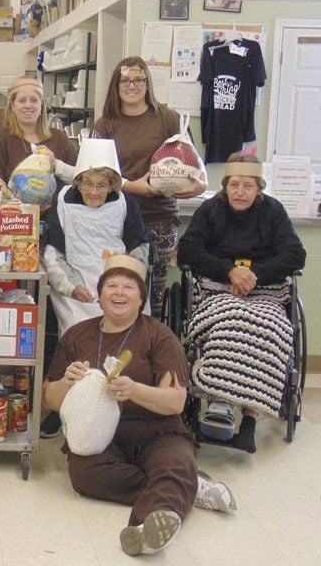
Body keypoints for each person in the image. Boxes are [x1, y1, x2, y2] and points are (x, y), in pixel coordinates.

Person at [42, 255, 236, 557]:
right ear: (100, 294)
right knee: (84, 476)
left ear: (141, 297)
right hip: (101, 437)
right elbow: (49, 400)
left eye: (128, 287)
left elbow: (175, 402)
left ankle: (148, 530)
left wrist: (134, 390)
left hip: (159, 433)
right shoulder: (77, 335)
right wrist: (66, 382)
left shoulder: (159, 336)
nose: (119, 293)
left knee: (173, 459)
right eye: (112, 286)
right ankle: (186, 487)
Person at [177, 152, 306, 453]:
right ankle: (217, 399)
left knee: (271, 328)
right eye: (234, 185)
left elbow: (294, 255)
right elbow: (188, 250)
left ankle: (250, 415)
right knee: (228, 323)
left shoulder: (273, 211)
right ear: (225, 186)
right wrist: (229, 271)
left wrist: (254, 276)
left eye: (248, 186)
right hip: (218, 289)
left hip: (265, 291)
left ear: (259, 188)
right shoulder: (210, 210)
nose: (240, 192)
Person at [39, 138, 148, 439]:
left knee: (127, 340)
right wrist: (72, 288)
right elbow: (52, 255)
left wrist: (124, 285)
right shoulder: (62, 202)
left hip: (117, 282)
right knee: (76, 336)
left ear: (113, 184)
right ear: (78, 182)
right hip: (76, 286)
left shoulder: (127, 204)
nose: (95, 191)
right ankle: (64, 408)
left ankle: (120, 411)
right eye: (88, 183)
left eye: (102, 185)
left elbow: (139, 251)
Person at [93, 56, 207, 318]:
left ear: (147, 84)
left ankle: (148, 350)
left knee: (151, 290)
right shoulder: (105, 124)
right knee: (114, 284)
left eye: (138, 80)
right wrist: (131, 186)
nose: (132, 85)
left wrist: (200, 185)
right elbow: (92, 172)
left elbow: (194, 162)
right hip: (114, 216)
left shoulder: (168, 119)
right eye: (125, 80)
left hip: (160, 216)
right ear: (116, 85)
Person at [0, 76, 77, 186]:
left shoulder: (60, 139)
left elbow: (80, 179)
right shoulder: (2, 140)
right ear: (13, 106)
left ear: (41, 105)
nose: (28, 105)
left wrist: (56, 165)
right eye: (22, 101)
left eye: (33, 100)